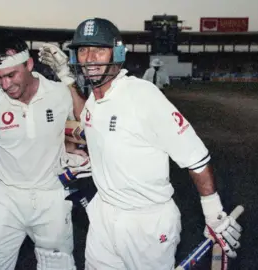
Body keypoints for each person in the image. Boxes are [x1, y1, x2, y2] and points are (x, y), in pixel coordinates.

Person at [39, 18, 243, 269]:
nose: (89, 58)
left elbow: (195, 156)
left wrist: (213, 213)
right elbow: (87, 119)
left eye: (98, 49)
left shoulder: (143, 96)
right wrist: (65, 78)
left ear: (118, 53)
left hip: (146, 223)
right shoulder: (95, 97)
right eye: (83, 50)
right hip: (103, 215)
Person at [0, 35, 82, 270]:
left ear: (29, 65)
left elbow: (87, 121)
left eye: (11, 75)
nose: (5, 85)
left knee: (58, 266)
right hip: (6, 197)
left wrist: (67, 77)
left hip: (52, 197)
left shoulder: (59, 94)